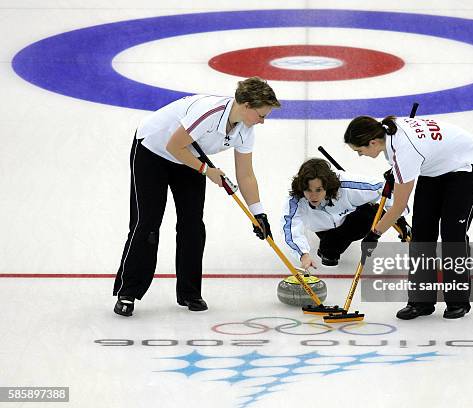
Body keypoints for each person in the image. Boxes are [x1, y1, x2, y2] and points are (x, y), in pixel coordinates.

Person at [113, 77, 281, 317]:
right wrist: (205, 171)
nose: (262, 122)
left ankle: (189, 292)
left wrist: (259, 214)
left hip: (188, 155)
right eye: (261, 115)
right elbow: (173, 146)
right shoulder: (209, 113)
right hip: (153, 151)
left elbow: (245, 175)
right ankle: (128, 291)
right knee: (147, 224)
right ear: (245, 106)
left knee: (192, 225)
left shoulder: (246, 129)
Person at [344, 115, 473, 320]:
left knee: (452, 235)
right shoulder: (388, 135)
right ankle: (421, 302)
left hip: (465, 163)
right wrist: (397, 171)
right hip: (435, 167)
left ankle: (458, 301)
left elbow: (398, 207)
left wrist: (374, 234)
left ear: (373, 142)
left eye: (360, 151)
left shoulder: (404, 151)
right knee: (422, 233)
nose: (360, 155)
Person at [281, 158, 410, 271]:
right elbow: (289, 228)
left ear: (327, 185)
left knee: (370, 214)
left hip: (353, 219)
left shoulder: (346, 185)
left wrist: (399, 217)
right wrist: (303, 254)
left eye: (318, 190)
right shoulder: (295, 200)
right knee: (329, 252)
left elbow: (385, 189)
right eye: (308, 190)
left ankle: (377, 214)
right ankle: (329, 247)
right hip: (325, 229)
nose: (313, 196)